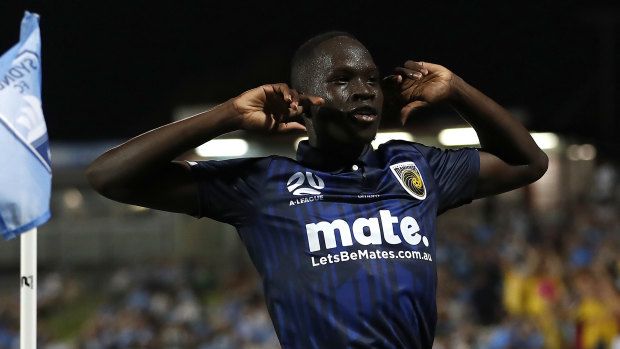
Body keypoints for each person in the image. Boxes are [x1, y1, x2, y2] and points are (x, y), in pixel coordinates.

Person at [87, 31, 548, 348]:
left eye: (371, 78)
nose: (365, 90)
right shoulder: (262, 185)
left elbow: (529, 162)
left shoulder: (414, 168)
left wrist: (459, 91)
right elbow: (110, 177)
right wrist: (226, 114)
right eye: (343, 80)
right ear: (303, 103)